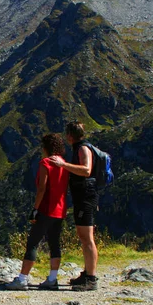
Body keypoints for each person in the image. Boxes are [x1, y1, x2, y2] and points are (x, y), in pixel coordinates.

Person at [6, 134, 69, 290]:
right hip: (60, 209)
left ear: (46, 147)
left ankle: (22, 280)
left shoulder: (45, 163)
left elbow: (42, 188)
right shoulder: (64, 164)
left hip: (46, 208)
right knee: (54, 243)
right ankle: (52, 279)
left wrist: (35, 209)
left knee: (33, 243)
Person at [49, 121, 99, 291]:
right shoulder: (80, 147)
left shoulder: (83, 148)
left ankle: (91, 278)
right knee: (84, 235)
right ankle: (87, 273)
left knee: (87, 238)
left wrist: (63, 165)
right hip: (83, 196)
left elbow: (86, 170)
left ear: (70, 135)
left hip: (85, 197)